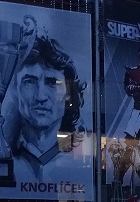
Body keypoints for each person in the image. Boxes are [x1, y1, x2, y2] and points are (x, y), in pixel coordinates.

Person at [10, 34, 87, 181]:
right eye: (29, 82)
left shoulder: (82, 156)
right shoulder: (0, 149)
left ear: (69, 93)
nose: (40, 97)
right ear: (15, 90)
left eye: (52, 83)